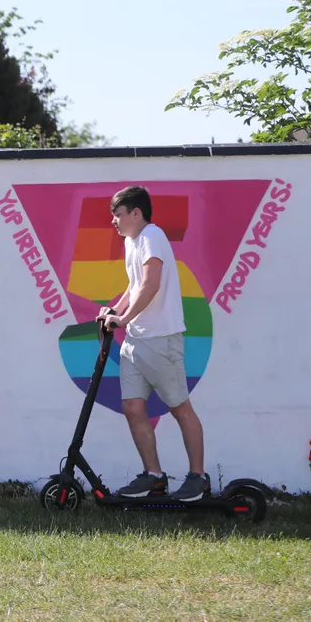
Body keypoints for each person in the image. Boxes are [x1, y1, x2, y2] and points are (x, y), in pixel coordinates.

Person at [96, 185, 210, 501]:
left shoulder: (152, 236)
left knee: (180, 408)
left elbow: (151, 284)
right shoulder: (133, 243)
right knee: (133, 407)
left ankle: (198, 478)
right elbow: (135, 286)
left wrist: (124, 318)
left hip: (161, 340)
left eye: (118, 215)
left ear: (136, 213)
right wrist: (115, 311)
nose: (114, 222)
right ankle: (154, 477)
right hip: (136, 341)